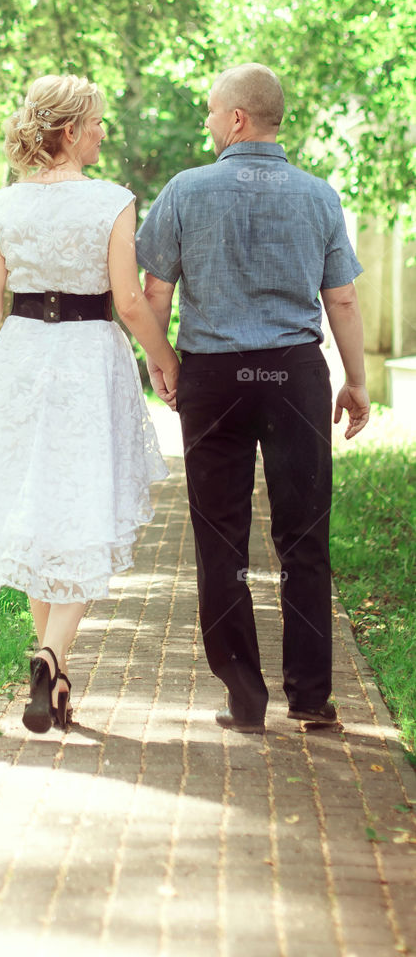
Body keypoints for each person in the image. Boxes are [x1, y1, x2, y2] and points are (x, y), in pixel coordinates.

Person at [135, 63, 371, 734]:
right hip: (294, 375)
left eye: (211, 113)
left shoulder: (184, 191)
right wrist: (354, 381)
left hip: (213, 377)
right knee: (302, 536)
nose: (207, 124)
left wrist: (163, 363)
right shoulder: (319, 196)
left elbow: (155, 293)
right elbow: (343, 299)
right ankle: (311, 698)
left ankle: (244, 695)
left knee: (220, 538)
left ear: (236, 117)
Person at [0, 74, 180, 733]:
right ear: (69, 130)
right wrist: (162, 358)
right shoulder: (111, 201)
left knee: (36, 510)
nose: (102, 133)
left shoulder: (3, 205)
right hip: (87, 355)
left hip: (21, 358)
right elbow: (130, 299)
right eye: (96, 123)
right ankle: (51, 657)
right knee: (79, 504)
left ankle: (49, 673)